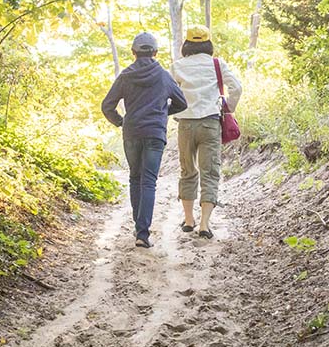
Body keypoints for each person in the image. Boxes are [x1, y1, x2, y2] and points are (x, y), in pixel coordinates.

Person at [102, 32, 188, 248]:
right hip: (155, 134)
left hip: (132, 132)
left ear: (133, 53)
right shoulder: (163, 75)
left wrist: (121, 121)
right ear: (155, 52)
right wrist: (162, 112)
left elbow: (107, 106)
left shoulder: (126, 75)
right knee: (149, 181)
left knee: (135, 178)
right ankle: (143, 233)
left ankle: (138, 227)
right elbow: (182, 103)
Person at [171, 25, 242, 239]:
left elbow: (169, 92)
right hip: (211, 123)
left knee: (187, 170)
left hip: (185, 124)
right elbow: (236, 88)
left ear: (187, 43)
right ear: (208, 43)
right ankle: (204, 224)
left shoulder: (177, 66)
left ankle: (188, 219)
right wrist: (228, 107)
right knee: (210, 172)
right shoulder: (217, 64)